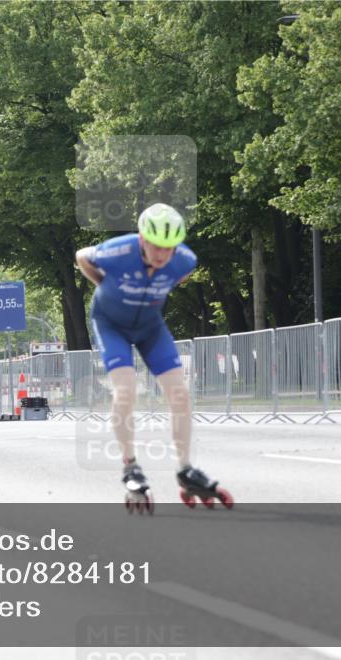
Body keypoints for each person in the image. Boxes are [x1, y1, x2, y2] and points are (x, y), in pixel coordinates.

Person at [75, 203, 233, 513]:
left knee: (180, 394)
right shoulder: (118, 251)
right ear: (142, 238)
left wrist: (150, 292)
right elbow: (82, 255)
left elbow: (179, 276)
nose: (163, 254)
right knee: (126, 388)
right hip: (111, 325)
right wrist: (106, 286)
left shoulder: (184, 260)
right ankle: (130, 465)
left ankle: (185, 469)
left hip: (150, 326)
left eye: (169, 248)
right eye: (156, 246)